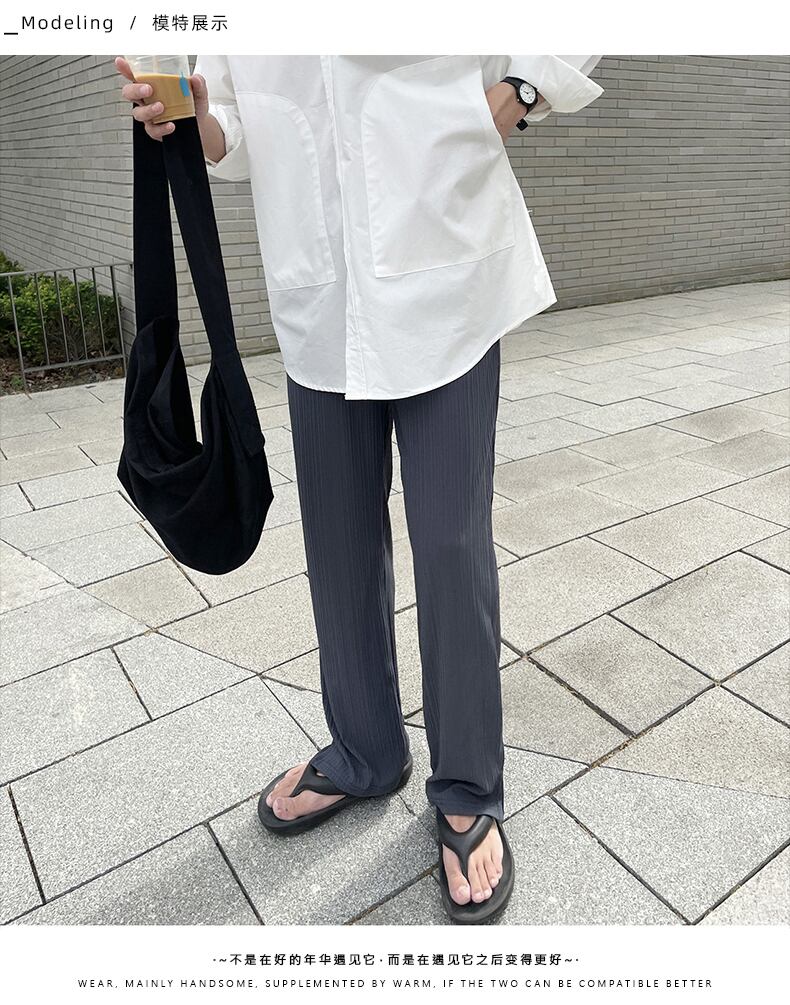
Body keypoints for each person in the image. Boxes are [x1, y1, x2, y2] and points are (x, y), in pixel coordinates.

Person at [116, 54, 604, 924]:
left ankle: (468, 783)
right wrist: (186, 115)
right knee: (337, 541)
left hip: (444, 269)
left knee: (450, 541)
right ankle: (366, 750)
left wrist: (523, 89)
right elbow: (235, 129)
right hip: (320, 294)